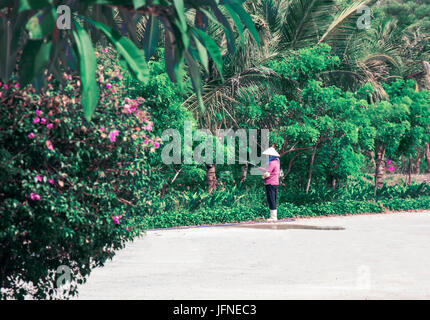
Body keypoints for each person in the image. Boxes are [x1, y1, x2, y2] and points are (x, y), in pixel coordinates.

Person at [261, 147, 280, 222]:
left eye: (269, 155)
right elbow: (269, 170)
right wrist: (261, 168)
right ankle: (273, 216)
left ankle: (273, 217)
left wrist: (263, 176)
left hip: (270, 183)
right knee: (273, 199)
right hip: (275, 183)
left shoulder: (272, 163)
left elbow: (267, 174)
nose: (268, 156)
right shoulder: (277, 162)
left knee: (271, 199)